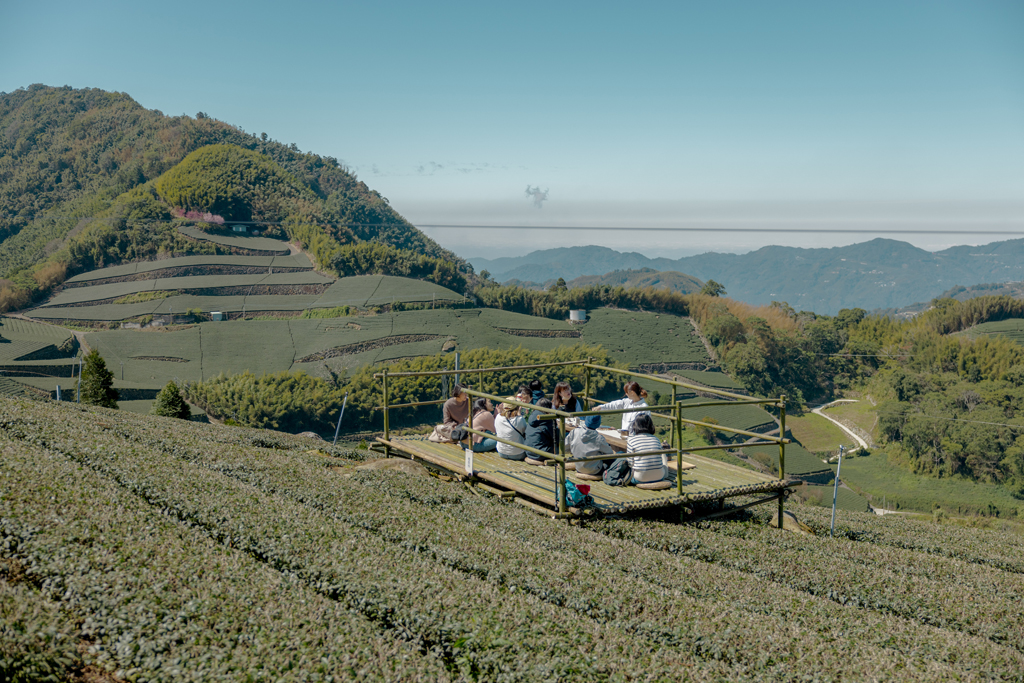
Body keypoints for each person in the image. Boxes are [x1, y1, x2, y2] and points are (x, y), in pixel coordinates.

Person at [626, 413, 667, 484]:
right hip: (660, 476)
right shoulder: (656, 439)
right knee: (662, 453)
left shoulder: (631, 440)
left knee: (621, 456)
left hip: (640, 478)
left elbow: (630, 464)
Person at [524, 398, 556, 464]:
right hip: (540, 454)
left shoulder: (531, 416)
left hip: (528, 451)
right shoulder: (547, 419)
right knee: (559, 444)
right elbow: (555, 437)